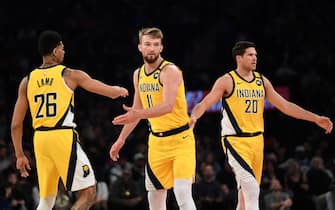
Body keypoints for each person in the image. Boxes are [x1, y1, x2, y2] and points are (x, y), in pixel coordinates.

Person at [189, 41, 333, 210]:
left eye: (256, 55)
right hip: (235, 141)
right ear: (239, 58)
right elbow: (206, 102)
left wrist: (315, 118)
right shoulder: (227, 80)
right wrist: (194, 117)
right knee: (251, 189)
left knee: (244, 197)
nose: (255, 58)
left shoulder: (261, 81)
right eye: (250, 55)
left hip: (257, 142)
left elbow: (285, 106)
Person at [10, 30, 128, 210]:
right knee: (89, 192)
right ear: (56, 50)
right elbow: (107, 91)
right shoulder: (69, 74)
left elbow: (16, 124)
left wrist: (19, 155)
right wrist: (119, 90)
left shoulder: (27, 81)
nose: (64, 52)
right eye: (63, 48)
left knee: (46, 200)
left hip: (40, 140)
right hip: (61, 137)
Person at [110, 27, 197, 210]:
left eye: (156, 45)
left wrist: (138, 114)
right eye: (147, 44)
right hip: (157, 142)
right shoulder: (138, 74)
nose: (151, 48)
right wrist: (121, 139)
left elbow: (167, 106)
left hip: (181, 139)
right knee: (155, 197)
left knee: (182, 192)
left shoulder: (170, 71)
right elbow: (136, 111)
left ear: (161, 48)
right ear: (140, 47)